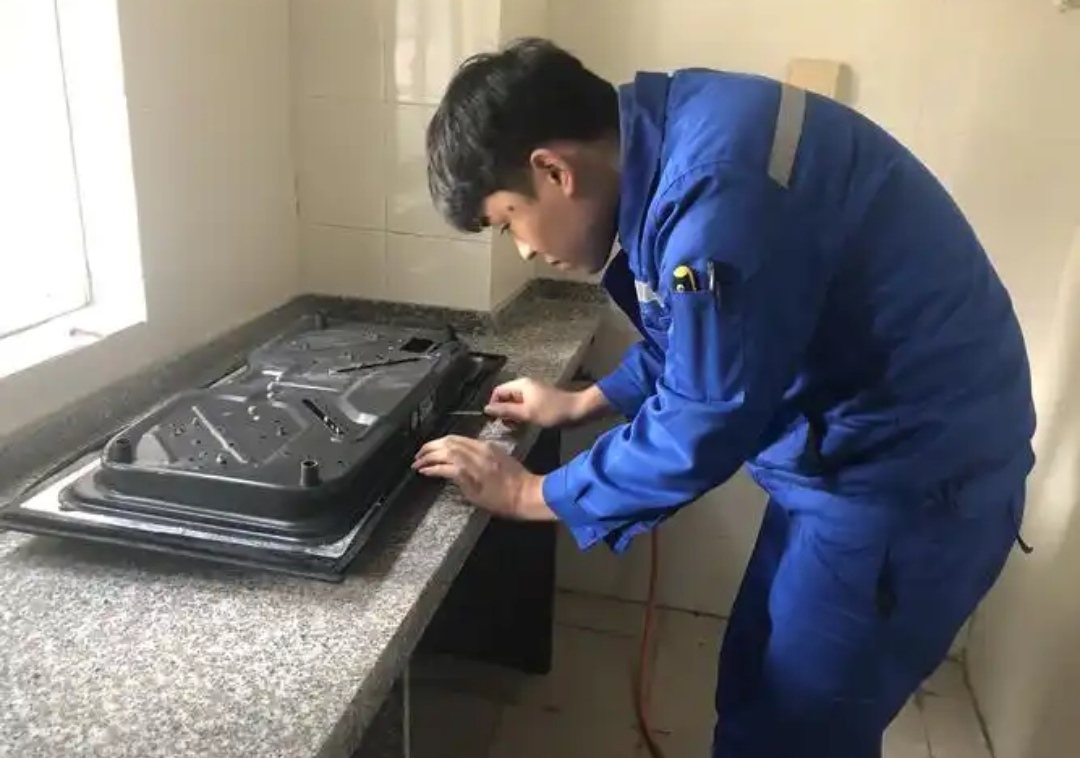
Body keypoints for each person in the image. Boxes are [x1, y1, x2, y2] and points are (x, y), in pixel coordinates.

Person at [412, 37, 1036, 758]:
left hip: (911, 486)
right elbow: (704, 337)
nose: (522, 249)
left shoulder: (715, 198)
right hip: (851, 460)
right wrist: (584, 402)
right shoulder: (678, 130)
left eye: (508, 219)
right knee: (754, 684)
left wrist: (531, 494)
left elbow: (701, 421)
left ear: (553, 170)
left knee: (794, 733)